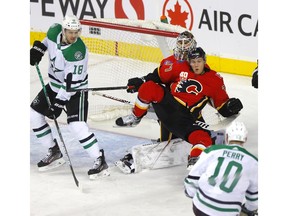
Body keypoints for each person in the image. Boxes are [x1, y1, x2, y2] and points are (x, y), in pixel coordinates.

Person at [115, 46, 243, 170]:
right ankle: (136, 116)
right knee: (148, 87)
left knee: (204, 138)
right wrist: (141, 82)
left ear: (204, 61)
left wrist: (231, 107)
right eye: (193, 62)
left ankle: (194, 160)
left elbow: (222, 107)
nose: (196, 65)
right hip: (168, 104)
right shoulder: (179, 66)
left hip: (184, 118)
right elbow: (157, 77)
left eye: (199, 61)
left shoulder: (214, 80)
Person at [30, 15, 109, 179]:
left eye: (76, 32)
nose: (74, 36)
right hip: (53, 85)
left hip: (75, 91)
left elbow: (70, 85)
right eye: (70, 32)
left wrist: (58, 104)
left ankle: (99, 159)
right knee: (34, 115)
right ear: (63, 30)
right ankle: (54, 151)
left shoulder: (78, 52)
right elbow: (47, 41)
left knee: (76, 126)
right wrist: (39, 49)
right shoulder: (53, 31)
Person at [184, 121, 258, 216]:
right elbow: (254, 200)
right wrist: (247, 210)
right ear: (245, 139)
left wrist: (192, 193)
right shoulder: (253, 162)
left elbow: (192, 179)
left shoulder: (212, 151)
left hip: (201, 208)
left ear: (227, 137)